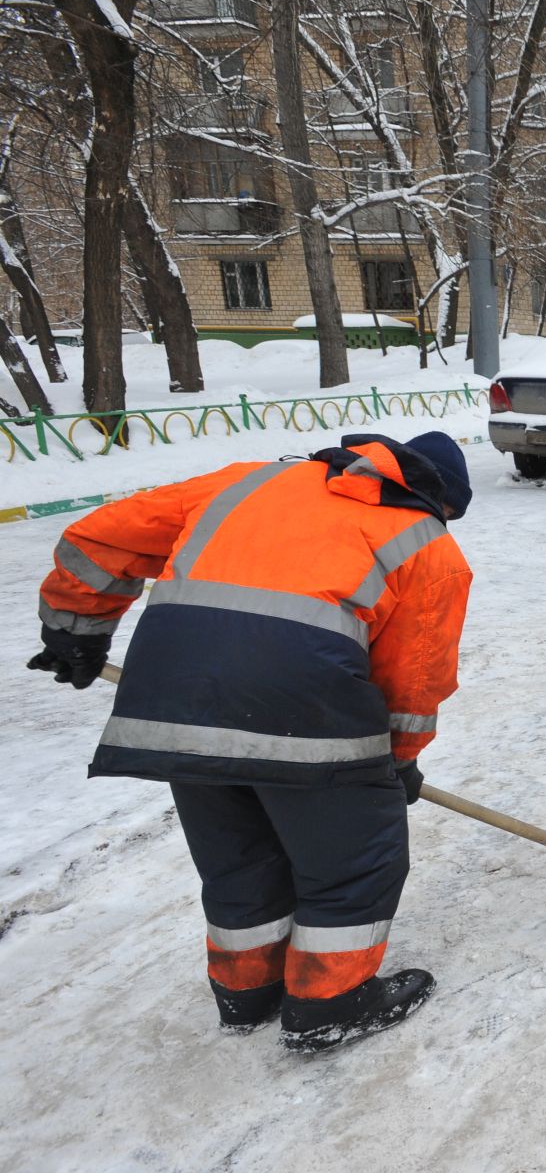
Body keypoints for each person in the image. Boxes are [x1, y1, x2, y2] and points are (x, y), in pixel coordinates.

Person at [30, 432, 474, 1051]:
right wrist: (394, 763)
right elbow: (413, 677)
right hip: (303, 705)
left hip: (180, 701)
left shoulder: (249, 480)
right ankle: (330, 1004)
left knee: (239, 853)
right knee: (352, 861)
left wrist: (75, 630)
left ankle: (247, 992)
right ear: (437, 498)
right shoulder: (427, 544)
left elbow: (101, 537)